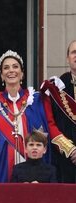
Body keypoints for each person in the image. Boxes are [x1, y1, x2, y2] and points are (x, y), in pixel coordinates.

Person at [0, 50, 51, 182]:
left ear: (22, 73)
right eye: (6, 68)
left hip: (33, 167)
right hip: (2, 167)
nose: (11, 70)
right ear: (1, 75)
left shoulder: (36, 100)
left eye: (15, 66)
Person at [40, 40, 76, 183]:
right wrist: (71, 150)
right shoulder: (55, 88)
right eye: (73, 52)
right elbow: (50, 123)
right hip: (64, 161)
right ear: (67, 58)